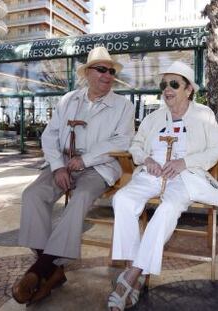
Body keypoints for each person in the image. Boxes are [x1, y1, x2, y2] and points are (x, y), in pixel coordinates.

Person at [12, 46, 135, 305]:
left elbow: (123, 141)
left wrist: (86, 159)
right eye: (101, 69)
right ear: (88, 73)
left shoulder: (123, 106)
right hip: (64, 164)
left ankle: (41, 270)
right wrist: (57, 167)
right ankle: (53, 270)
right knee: (33, 194)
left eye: (111, 71)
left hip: (99, 167)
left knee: (79, 199)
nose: (107, 75)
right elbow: (50, 135)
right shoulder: (68, 99)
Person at [107, 61, 218, 310]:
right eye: (164, 85)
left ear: (188, 90)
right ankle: (136, 276)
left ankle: (131, 277)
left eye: (174, 84)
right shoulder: (153, 117)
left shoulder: (204, 114)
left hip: (185, 175)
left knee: (168, 208)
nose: (167, 89)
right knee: (122, 199)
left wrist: (185, 162)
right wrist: (146, 159)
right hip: (152, 172)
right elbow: (137, 145)